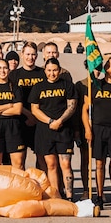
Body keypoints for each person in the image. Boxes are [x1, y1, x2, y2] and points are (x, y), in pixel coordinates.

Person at [29, 58, 78, 200]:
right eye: (49, 70)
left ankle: (69, 196)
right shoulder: (38, 87)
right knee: (51, 165)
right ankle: (56, 196)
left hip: (64, 130)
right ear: (45, 71)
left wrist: (60, 121)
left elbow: (72, 106)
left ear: (59, 70)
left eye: (55, 70)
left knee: (66, 163)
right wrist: (50, 121)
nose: (52, 73)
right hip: (45, 130)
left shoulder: (68, 85)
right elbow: (34, 109)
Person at [84, 57, 111, 209]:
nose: (108, 64)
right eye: (107, 63)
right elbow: (85, 110)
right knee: (99, 164)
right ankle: (99, 196)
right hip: (98, 129)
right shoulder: (95, 86)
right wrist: (88, 130)